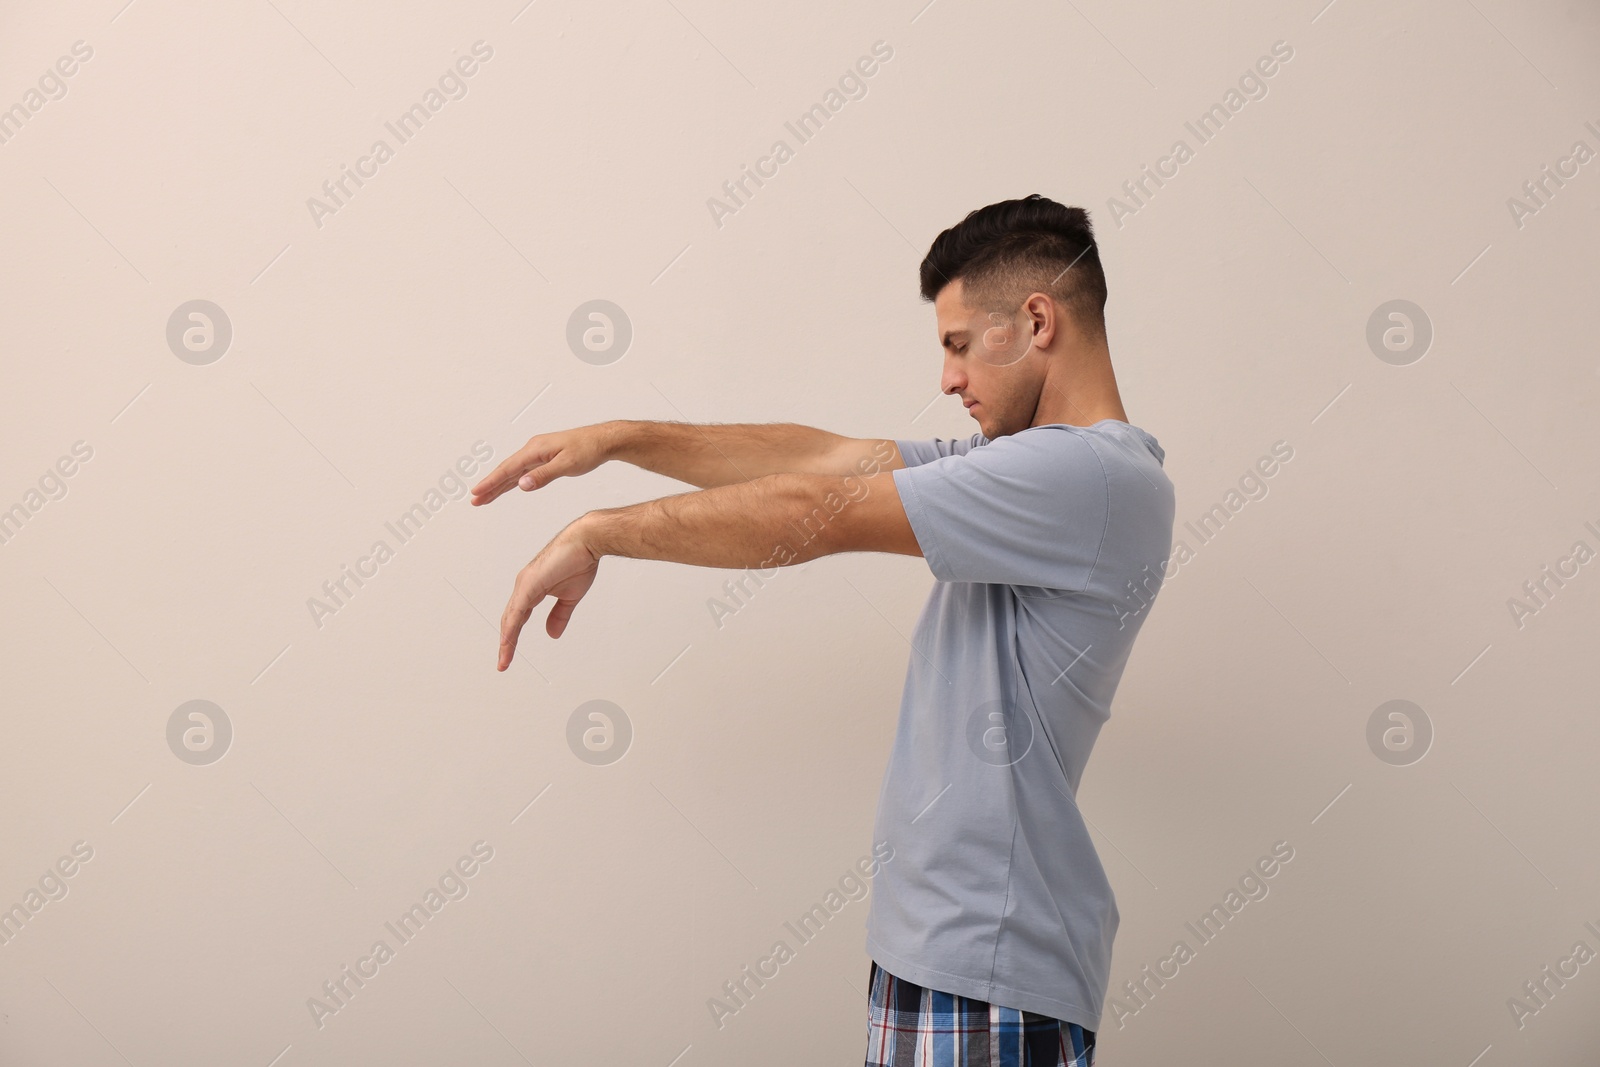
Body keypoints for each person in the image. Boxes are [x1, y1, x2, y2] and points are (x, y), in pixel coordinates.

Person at [471, 194, 1175, 1067]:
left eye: (958, 345)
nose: (949, 379)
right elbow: (829, 458)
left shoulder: (1086, 476)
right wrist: (622, 437)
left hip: (987, 969)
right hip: (944, 953)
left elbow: (817, 509)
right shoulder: (1025, 469)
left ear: (1036, 320)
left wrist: (598, 532)